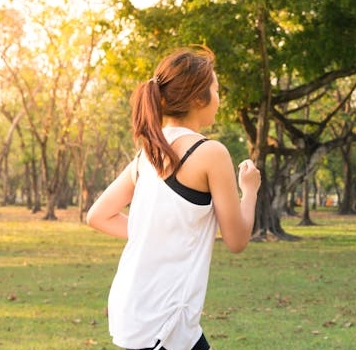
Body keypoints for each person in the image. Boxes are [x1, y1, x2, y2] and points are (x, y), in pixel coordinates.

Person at [86, 46, 260, 350]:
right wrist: (250, 190)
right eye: (216, 90)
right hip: (165, 320)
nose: (219, 100)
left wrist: (154, 234)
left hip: (134, 308)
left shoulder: (147, 153)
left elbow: (98, 215)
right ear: (197, 98)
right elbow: (237, 240)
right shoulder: (210, 153)